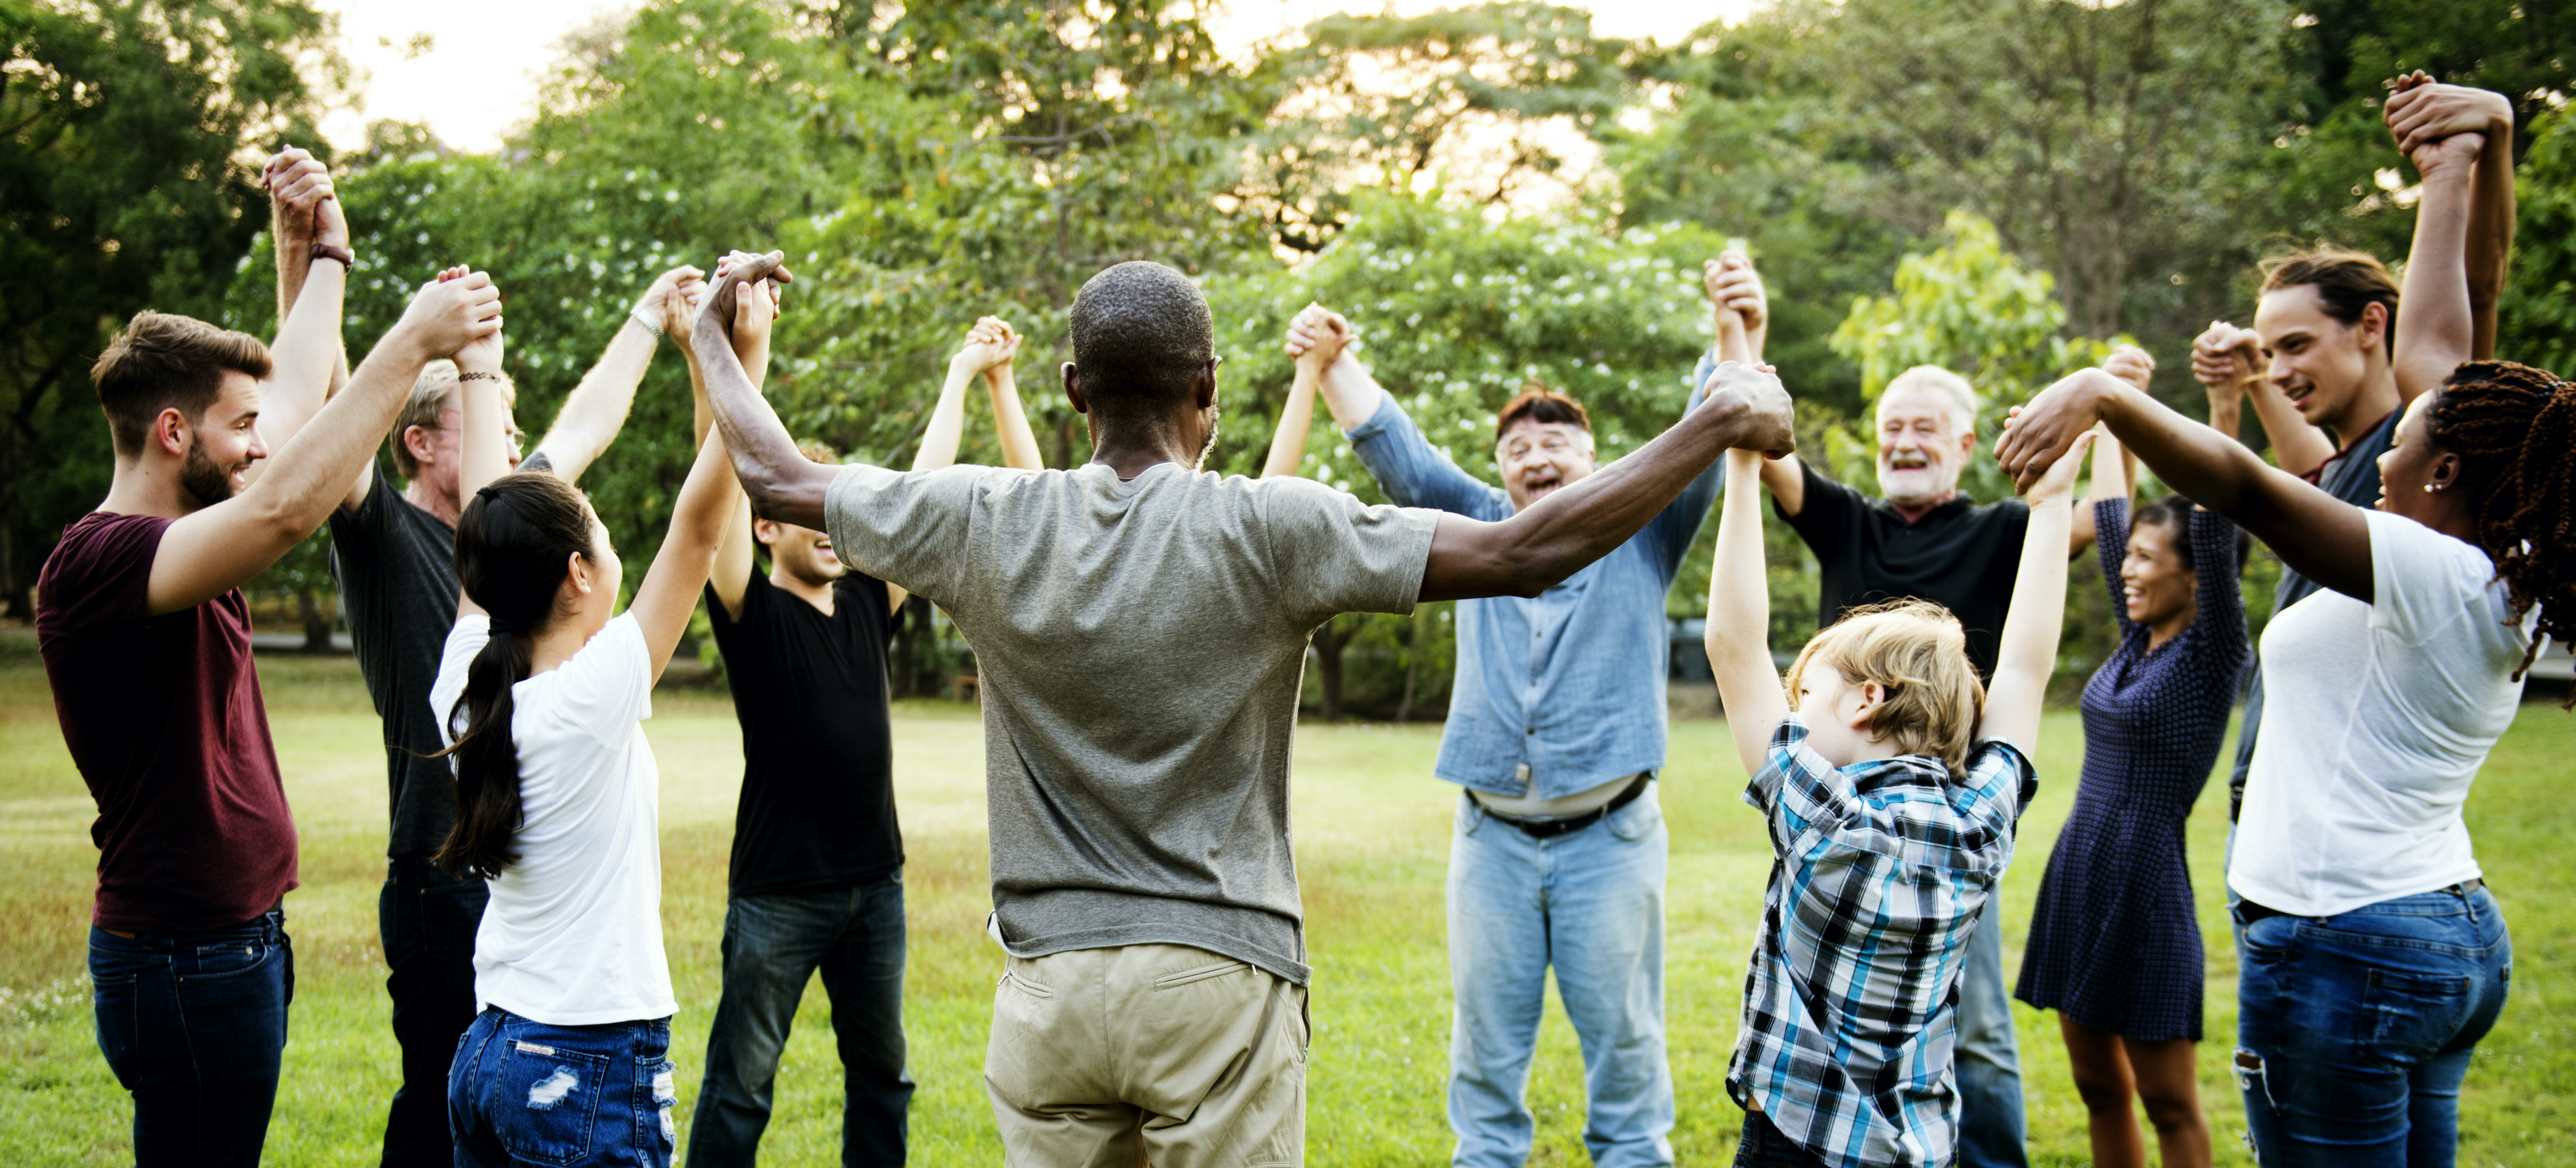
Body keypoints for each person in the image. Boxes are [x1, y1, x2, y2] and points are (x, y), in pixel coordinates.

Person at [690, 252, 1796, 1166]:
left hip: (1048, 990)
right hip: (1217, 981)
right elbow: (1523, 552)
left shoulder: (982, 515)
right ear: (1208, 387)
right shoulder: (1274, 526)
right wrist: (1714, 420)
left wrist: (708, 341)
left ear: (1073, 389)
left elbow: (776, 478)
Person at [1995, 116, 2546, 1167]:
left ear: (2442, 471)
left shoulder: (2428, 566)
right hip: (2433, 919)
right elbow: (2439, 356)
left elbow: (2256, 483)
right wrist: (2455, 164)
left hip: (2349, 934)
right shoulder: (2488, 560)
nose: (2371, 467)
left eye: (2399, 445)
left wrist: (2105, 396)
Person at [251, 148, 711, 1168]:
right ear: (421, 442)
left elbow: (586, 423)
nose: (512, 436)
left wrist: (644, 319)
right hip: (438, 872)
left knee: (478, 1104)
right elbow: (325, 415)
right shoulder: (381, 530)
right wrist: (307, 262)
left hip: (512, 883)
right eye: (488, 422)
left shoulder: (503, 545)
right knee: (433, 1111)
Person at [35, 224, 499, 1168]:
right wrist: (413, 339)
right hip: (184, 957)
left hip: (227, 944)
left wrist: (322, 253)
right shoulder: (100, 558)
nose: (260, 446)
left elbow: (287, 414)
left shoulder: (186, 523)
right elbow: (285, 507)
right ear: (174, 433)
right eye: (240, 429)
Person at [1265, 271, 1741, 1166]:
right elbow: (1398, 453)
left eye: (1556, 440)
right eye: (1517, 445)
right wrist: (1330, 359)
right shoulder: (1477, 524)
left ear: (1596, 459)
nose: (1535, 455)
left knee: (1627, 1055)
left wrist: (1729, 330)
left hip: (1611, 839)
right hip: (1491, 844)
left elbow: (1703, 431)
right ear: (1501, 469)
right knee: (1484, 1063)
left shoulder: (1644, 527)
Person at [1696, 251, 2146, 1168]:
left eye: (1807, 691)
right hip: (1918, 1143)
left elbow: (1735, 644)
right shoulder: (1983, 819)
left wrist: (1737, 469)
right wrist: (2057, 490)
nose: (1795, 707)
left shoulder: (1817, 815)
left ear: (1865, 701)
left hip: (1796, 1142)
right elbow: (2023, 666)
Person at [684, 307, 1044, 1168]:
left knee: (883, 1079)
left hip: (875, 887)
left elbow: (920, 492)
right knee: (740, 1086)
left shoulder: (865, 604)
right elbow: (719, 486)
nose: (829, 525)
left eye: (834, 509)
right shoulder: (748, 609)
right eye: (805, 508)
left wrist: (961, 374)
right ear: (766, 525)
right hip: (777, 894)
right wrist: (725, 363)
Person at [431, 273, 763, 1168]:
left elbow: (487, 518)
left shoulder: (466, 683)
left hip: (492, 1048)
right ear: (579, 574)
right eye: (605, 537)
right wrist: (741, 355)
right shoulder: (588, 698)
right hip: (584, 1062)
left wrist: (480, 369)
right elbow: (699, 530)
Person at [2186, 77, 2517, 833]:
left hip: (2336, 830)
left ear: (2373, 326)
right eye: (2271, 349)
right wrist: (2244, 381)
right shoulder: (2344, 467)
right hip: (2266, 815)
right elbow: (2293, 475)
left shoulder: (2420, 450)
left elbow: (2478, 295)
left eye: (2297, 345)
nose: (2281, 369)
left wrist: (2486, 147)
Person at [2013, 433, 2250, 1168]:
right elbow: (2113, 520)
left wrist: (2219, 412)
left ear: (2198, 575)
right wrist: (2111, 422)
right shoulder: (2137, 636)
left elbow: (2217, 522)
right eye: (2132, 558)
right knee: (2097, 1084)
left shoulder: (2214, 655)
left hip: (2146, 881)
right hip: (2081, 867)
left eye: (2148, 558)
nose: (2128, 568)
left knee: (2169, 1100)